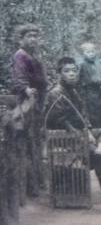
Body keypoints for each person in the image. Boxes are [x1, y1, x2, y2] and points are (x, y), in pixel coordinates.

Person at [44, 57, 101, 202]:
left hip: (78, 133)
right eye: (67, 71)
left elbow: (82, 115)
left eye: (74, 71)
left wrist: (88, 130)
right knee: (96, 155)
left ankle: (99, 152)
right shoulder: (56, 93)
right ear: (59, 74)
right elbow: (61, 121)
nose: (71, 74)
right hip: (63, 137)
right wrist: (82, 135)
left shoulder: (74, 91)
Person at [11, 23, 48, 197]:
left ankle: (36, 184)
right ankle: (30, 187)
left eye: (36, 36)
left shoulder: (34, 55)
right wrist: (26, 90)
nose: (33, 39)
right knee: (28, 143)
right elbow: (19, 79)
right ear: (21, 39)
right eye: (29, 36)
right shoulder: (21, 55)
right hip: (27, 104)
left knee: (36, 143)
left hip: (37, 102)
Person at [79, 43, 101, 134]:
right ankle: (95, 131)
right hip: (88, 93)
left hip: (99, 92)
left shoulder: (97, 63)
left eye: (92, 51)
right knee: (92, 113)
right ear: (84, 53)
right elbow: (80, 80)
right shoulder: (82, 65)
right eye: (88, 52)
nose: (91, 54)